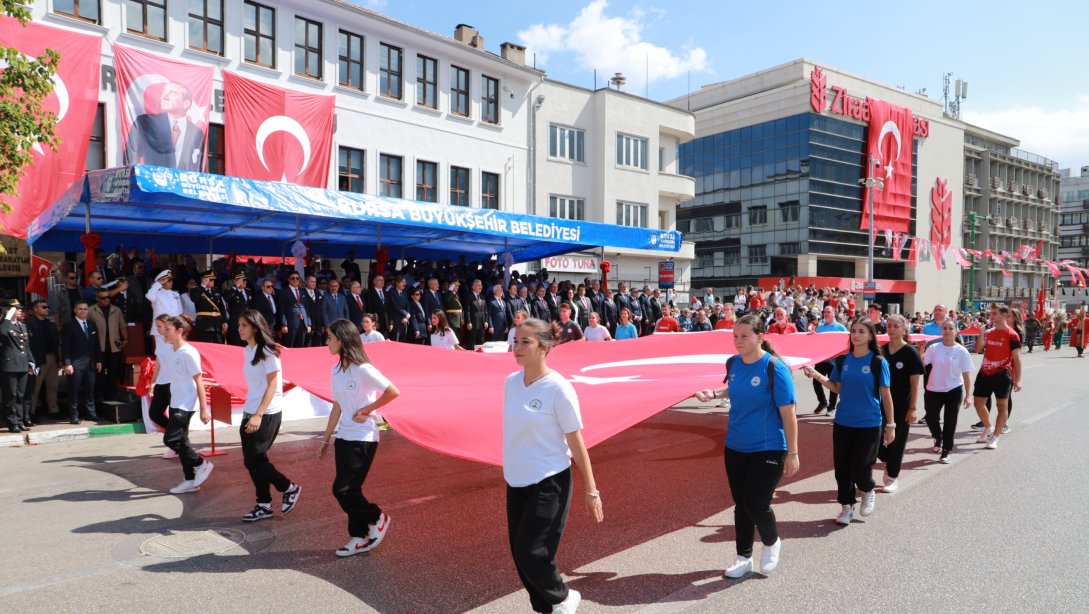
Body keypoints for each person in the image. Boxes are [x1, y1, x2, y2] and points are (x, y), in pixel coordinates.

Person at [504, 318, 603, 613]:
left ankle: (563, 597)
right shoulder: (511, 383)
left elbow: (575, 440)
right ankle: (547, 608)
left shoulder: (559, 388)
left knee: (532, 551)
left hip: (549, 481)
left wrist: (591, 489)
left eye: (526, 342)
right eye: (516, 341)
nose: (517, 347)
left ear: (544, 347)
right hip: (516, 480)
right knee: (520, 556)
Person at [694, 314, 798, 578]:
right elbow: (733, 388)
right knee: (741, 504)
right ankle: (743, 557)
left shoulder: (775, 367)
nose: (738, 341)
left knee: (755, 503)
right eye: (735, 336)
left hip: (769, 447)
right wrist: (713, 393)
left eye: (744, 336)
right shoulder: (733, 363)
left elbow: (788, 414)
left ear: (760, 337)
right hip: (735, 446)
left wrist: (793, 453)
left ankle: (772, 541)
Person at [318, 319, 400, 557]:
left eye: (330, 338)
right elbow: (337, 406)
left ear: (342, 340)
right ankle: (358, 536)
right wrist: (325, 439)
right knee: (350, 489)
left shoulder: (363, 369)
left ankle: (377, 517)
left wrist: (368, 409)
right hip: (343, 436)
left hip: (363, 438)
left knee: (342, 489)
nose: (327, 342)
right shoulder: (336, 369)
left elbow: (392, 391)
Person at [804, 317, 894, 526]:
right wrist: (817, 375)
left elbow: (886, 394)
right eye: (853, 331)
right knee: (842, 468)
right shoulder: (843, 360)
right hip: (843, 421)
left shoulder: (878, 362)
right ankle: (846, 507)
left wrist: (891, 425)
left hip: (869, 423)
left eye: (862, 331)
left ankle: (868, 488)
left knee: (861, 467)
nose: (856, 335)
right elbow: (838, 388)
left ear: (871, 335)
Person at [237, 310, 302, 522]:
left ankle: (288, 487)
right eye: (239, 325)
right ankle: (263, 504)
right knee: (253, 460)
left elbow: (273, 384)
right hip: (251, 410)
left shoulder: (267, 351)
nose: (240, 329)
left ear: (255, 327)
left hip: (266, 412)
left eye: (244, 325)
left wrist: (258, 415)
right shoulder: (249, 350)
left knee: (254, 458)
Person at [159, 315, 215, 494]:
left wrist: (204, 409)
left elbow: (199, 381)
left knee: (171, 439)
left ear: (179, 331)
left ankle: (201, 463)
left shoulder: (188, 353)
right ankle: (190, 480)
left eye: (167, 330)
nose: (163, 333)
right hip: (176, 401)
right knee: (182, 442)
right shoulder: (173, 351)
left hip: (185, 404)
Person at [875, 315, 924, 493]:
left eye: (896, 326)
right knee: (875, 438)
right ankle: (890, 461)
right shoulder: (881, 351)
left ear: (904, 329)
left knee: (898, 441)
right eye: (889, 326)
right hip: (880, 403)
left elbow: (915, 384)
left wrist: (913, 408)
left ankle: (892, 476)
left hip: (902, 405)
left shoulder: (910, 352)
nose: (892, 329)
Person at [922, 319, 974, 464]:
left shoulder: (961, 351)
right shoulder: (934, 348)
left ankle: (946, 450)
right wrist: (921, 349)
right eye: (944, 328)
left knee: (950, 422)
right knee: (930, 417)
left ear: (955, 331)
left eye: (950, 328)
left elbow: (966, 374)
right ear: (941, 331)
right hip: (934, 388)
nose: (947, 331)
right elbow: (923, 363)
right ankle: (938, 437)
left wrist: (969, 395)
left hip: (954, 389)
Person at [124, 81, 206, 170]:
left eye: (172, 93)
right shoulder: (145, 123)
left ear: (186, 103)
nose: (164, 97)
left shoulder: (196, 132)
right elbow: (130, 159)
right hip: (153, 182)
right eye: (164, 91)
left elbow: (198, 165)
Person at [972, 304, 1021, 450]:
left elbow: (1017, 359)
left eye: (994, 313)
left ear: (1004, 315)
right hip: (985, 372)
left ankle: (995, 437)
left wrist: (1018, 379)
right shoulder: (989, 332)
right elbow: (978, 349)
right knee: (978, 403)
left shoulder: (1012, 335)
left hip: (1002, 374)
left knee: (1002, 406)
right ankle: (988, 427)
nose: (991, 316)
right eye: (990, 314)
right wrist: (981, 333)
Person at [60, 301, 102, 424]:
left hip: (90, 363)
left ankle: (91, 414)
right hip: (75, 364)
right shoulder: (69, 325)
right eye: (80, 309)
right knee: (74, 390)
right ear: (75, 310)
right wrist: (67, 363)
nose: (83, 311)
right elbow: (65, 347)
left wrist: (99, 359)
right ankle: (74, 415)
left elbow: (96, 345)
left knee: (90, 390)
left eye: (85, 309)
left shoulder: (91, 325)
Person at [89, 288, 128, 407]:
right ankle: (99, 403)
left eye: (108, 297)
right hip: (98, 350)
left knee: (112, 377)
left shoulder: (116, 310)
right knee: (98, 379)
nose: (106, 300)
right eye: (103, 298)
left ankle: (111, 402)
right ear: (97, 298)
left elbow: (122, 326)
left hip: (114, 348)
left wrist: (125, 339)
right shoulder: (91, 311)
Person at [1, 300, 34, 433]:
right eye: (17, 309)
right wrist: (8, 317)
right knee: (11, 395)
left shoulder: (22, 326)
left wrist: (31, 362)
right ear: (8, 310)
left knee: (21, 395)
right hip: (9, 365)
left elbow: (26, 346)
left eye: (21, 309)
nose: (20, 311)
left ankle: (19, 421)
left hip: (22, 364)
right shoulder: (4, 324)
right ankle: (11, 422)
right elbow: (2, 333)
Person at [26, 299, 61, 419]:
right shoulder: (29, 323)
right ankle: (31, 412)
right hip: (38, 359)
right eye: (43, 307)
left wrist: (59, 360)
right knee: (35, 388)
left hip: (52, 358)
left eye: (47, 307)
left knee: (53, 386)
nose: (47, 309)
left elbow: (57, 343)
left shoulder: (50, 324)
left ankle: (54, 410)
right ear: (35, 309)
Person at [811, 305, 848, 414]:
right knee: (816, 382)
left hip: (834, 362)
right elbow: (817, 343)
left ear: (834, 313)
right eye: (825, 312)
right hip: (822, 360)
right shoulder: (820, 327)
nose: (826, 314)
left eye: (828, 312)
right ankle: (823, 402)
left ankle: (831, 407)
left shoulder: (840, 327)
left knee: (833, 384)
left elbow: (847, 341)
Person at [146, 270, 183, 348]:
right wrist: (158, 284)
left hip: (173, 328)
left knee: (174, 352)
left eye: (171, 280)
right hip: (161, 328)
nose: (171, 282)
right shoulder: (156, 293)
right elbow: (149, 296)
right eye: (168, 280)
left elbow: (179, 312)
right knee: (162, 353)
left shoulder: (175, 294)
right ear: (162, 282)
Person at [189, 270, 228, 344]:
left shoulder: (216, 290)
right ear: (203, 279)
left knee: (218, 348)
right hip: (205, 326)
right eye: (210, 279)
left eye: (213, 279)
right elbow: (194, 298)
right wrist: (202, 286)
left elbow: (221, 308)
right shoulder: (196, 290)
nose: (213, 281)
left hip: (217, 325)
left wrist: (224, 321)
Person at [277, 272, 311, 348]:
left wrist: (309, 323)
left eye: (297, 278)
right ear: (288, 280)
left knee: (301, 346)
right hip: (290, 324)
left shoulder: (303, 291)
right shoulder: (283, 292)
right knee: (290, 345)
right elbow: (281, 309)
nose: (295, 280)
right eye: (293, 278)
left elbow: (307, 308)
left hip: (303, 323)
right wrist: (284, 324)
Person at [224, 271, 252, 346]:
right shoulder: (232, 292)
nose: (245, 282)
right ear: (236, 281)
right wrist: (235, 287)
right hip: (235, 324)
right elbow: (225, 298)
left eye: (245, 280)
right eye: (243, 280)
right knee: (236, 345)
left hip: (247, 323)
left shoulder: (248, 291)